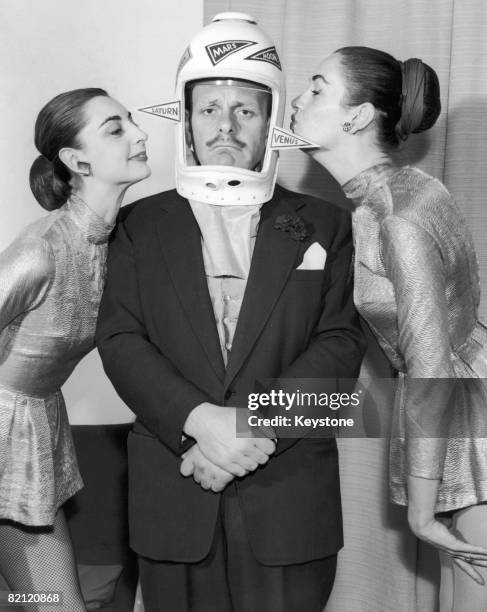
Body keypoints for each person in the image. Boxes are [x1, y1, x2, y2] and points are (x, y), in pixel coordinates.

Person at [96, 13, 365, 612]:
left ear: (271, 120)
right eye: (210, 108)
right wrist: (198, 420)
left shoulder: (327, 224)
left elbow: (341, 345)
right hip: (174, 495)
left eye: (244, 109)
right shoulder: (138, 225)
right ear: (186, 119)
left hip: (289, 502)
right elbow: (120, 339)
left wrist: (245, 426)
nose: (225, 124)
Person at [291, 46, 487, 611]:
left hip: (464, 416)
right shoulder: (397, 194)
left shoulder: (396, 214)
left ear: (356, 117)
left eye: (318, 87)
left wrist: (421, 512)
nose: (300, 99)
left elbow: (429, 362)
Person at [0, 87, 149, 611]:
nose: (139, 134)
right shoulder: (40, 249)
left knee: (51, 602)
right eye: (116, 128)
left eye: (133, 122)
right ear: (75, 159)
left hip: (35, 430)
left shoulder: (124, 246)